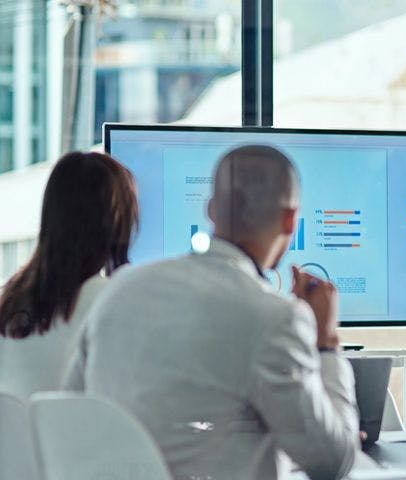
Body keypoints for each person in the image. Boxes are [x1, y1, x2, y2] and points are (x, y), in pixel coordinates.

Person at [64, 145, 360, 480]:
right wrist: (326, 341)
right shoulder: (274, 317)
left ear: (211, 210)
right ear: (291, 219)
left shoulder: (120, 288)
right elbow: (334, 463)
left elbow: (67, 411)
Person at [0, 151, 138, 398]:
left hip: (22, 436)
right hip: (81, 435)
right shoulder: (111, 301)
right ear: (117, 221)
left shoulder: (9, 299)